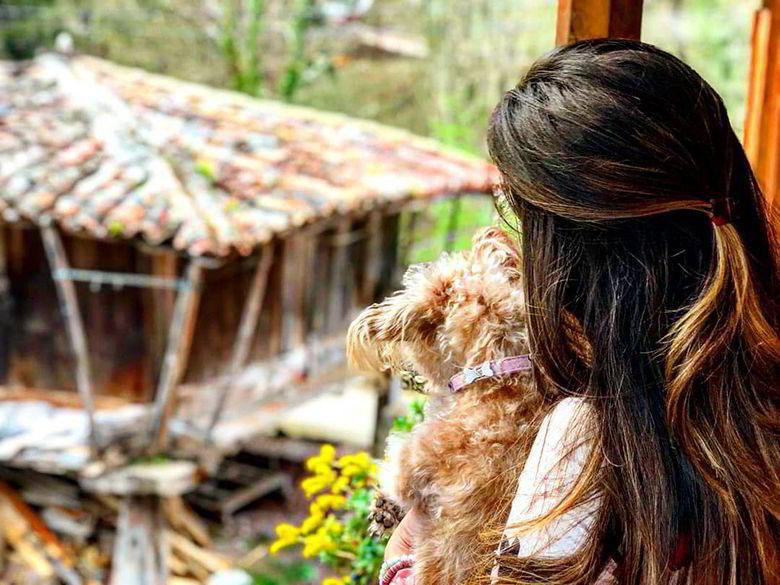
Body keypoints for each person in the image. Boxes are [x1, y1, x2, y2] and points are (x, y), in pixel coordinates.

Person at [379, 39, 779, 585]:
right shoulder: (756, 391)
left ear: (570, 251)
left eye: (514, 210)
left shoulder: (585, 443)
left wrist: (404, 556)